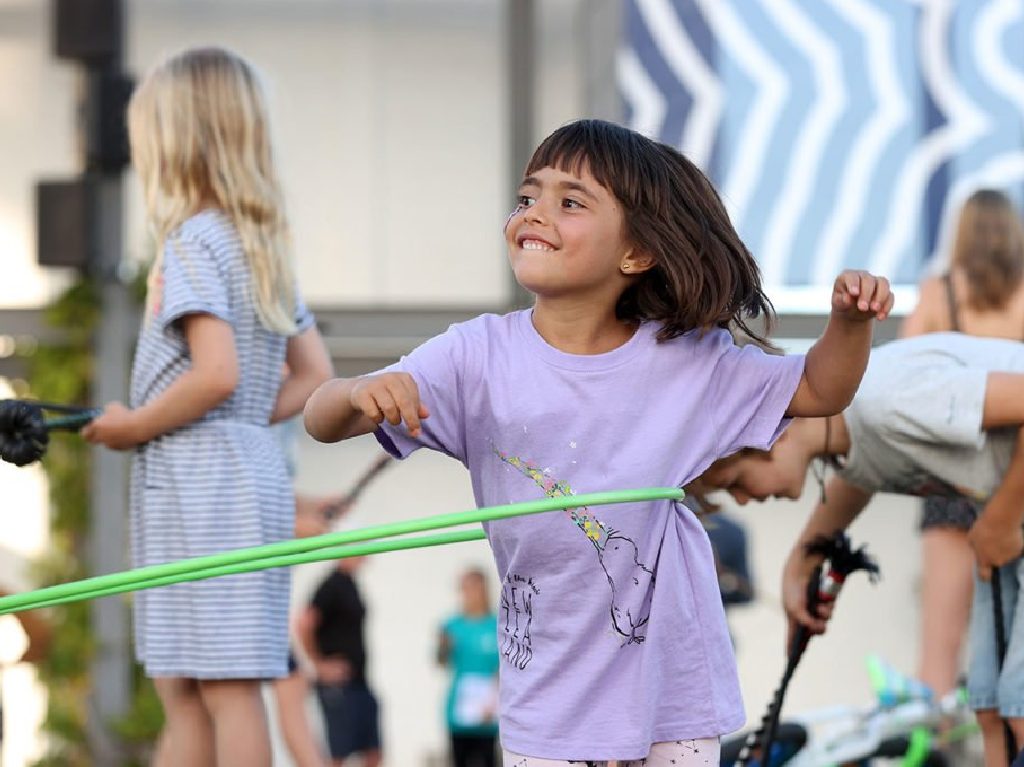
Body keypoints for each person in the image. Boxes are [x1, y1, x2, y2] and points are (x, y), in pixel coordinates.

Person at [303, 119, 892, 765]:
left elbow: (819, 387)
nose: (534, 214)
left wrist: (849, 323)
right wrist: (360, 390)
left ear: (635, 253)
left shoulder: (684, 361)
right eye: (527, 197)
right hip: (547, 691)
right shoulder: (474, 355)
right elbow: (322, 418)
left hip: (672, 687)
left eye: (570, 201)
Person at [81, 47, 332, 767]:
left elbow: (215, 373)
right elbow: (313, 373)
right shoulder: (262, 247)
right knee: (205, 688)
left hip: (196, 486)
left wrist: (134, 423)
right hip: (245, 471)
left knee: (209, 691)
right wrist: (244, 421)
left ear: (174, 139)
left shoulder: (189, 242)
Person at [697, 332, 1024, 767]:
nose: (741, 499)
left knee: (1020, 708)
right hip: (1007, 525)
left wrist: (1001, 518)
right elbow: (862, 472)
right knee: (992, 709)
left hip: (1007, 519)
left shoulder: (890, 398)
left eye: (735, 483)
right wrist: (805, 558)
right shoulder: (853, 430)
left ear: (768, 433)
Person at [901, 189, 1024, 698]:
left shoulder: (938, 293)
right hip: (1015, 479)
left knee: (939, 650)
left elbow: (904, 376)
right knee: (1015, 647)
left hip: (951, 476)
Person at [295, 556, 382, 767]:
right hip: (338, 685)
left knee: (373, 751)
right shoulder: (330, 585)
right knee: (338, 755)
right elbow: (304, 623)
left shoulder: (351, 584)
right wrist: (319, 664)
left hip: (359, 680)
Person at [438, 567, 500, 767]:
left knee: (489, 759)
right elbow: (440, 662)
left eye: (475, 589)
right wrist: (444, 647)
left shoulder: (496, 624)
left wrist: (494, 701)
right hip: (460, 709)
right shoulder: (452, 625)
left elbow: (504, 668)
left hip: (488, 709)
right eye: (466, 589)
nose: (470, 595)